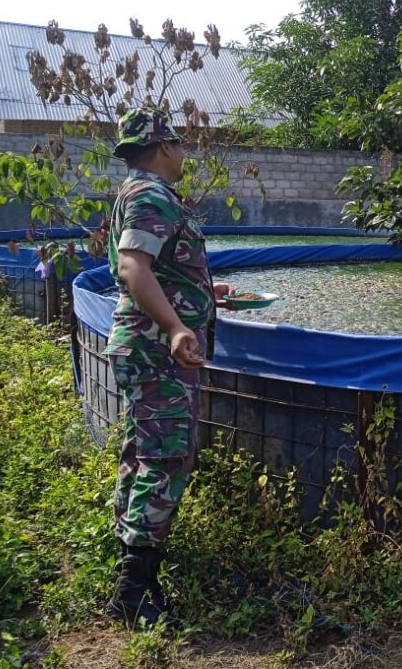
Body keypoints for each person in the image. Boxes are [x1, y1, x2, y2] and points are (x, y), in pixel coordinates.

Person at [103, 106, 234, 629]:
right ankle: (132, 593)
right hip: (157, 348)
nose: (183, 154)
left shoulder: (135, 193)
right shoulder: (153, 194)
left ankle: (133, 565)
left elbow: (155, 266)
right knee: (168, 457)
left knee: (144, 450)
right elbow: (134, 266)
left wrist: (205, 292)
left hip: (145, 343)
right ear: (162, 147)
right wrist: (179, 328)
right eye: (178, 145)